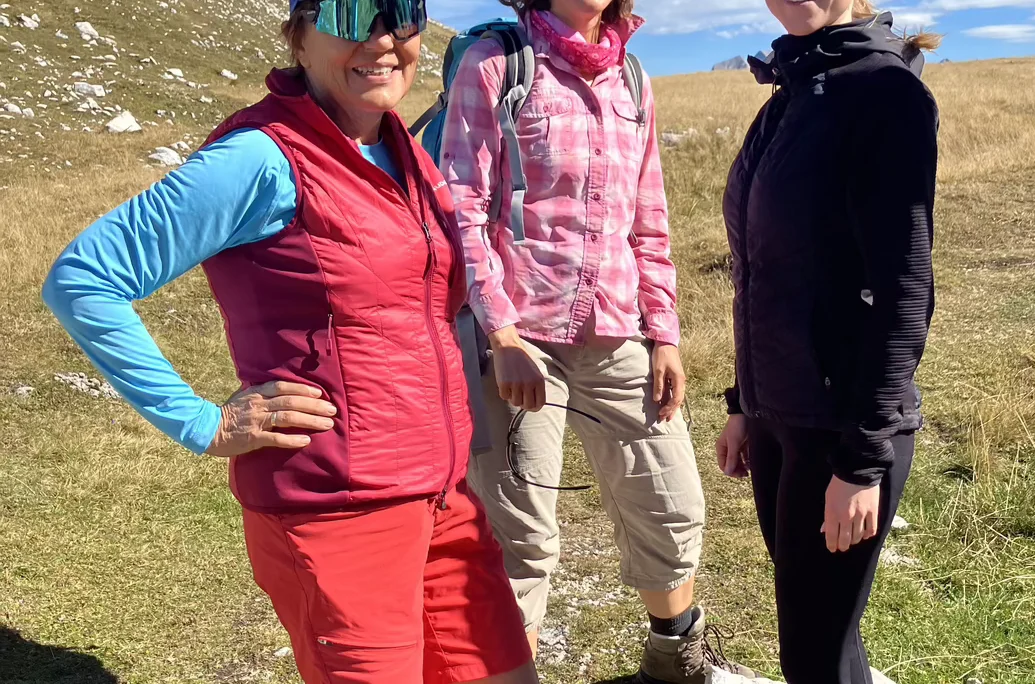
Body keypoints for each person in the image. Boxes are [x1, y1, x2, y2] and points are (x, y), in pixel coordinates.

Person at [41, 2, 537, 683]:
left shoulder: (402, 148)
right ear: (299, 35)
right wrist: (202, 422)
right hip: (337, 516)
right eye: (350, 11)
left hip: (443, 498)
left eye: (403, 13)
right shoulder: (259, 157)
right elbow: (85, 279)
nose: (383, 38)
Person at [439, 1, 762, 682]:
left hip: (618, 332)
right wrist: (500, 333)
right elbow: (460, 208)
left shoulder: (633, 77)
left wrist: (663, 333)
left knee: (672, 506)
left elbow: (649, 218)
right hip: (518, 342)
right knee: (520, 537)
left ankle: (674, 662)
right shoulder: (497, 63)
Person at [715, 1, 939, 682]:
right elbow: (765, 271)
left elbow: (904, 289)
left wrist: (863, 459)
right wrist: (743, 402)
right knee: (825, 644)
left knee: (813, 657)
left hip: (841, 427)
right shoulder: (790, 92)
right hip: (780, 414)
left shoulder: (883, 92)